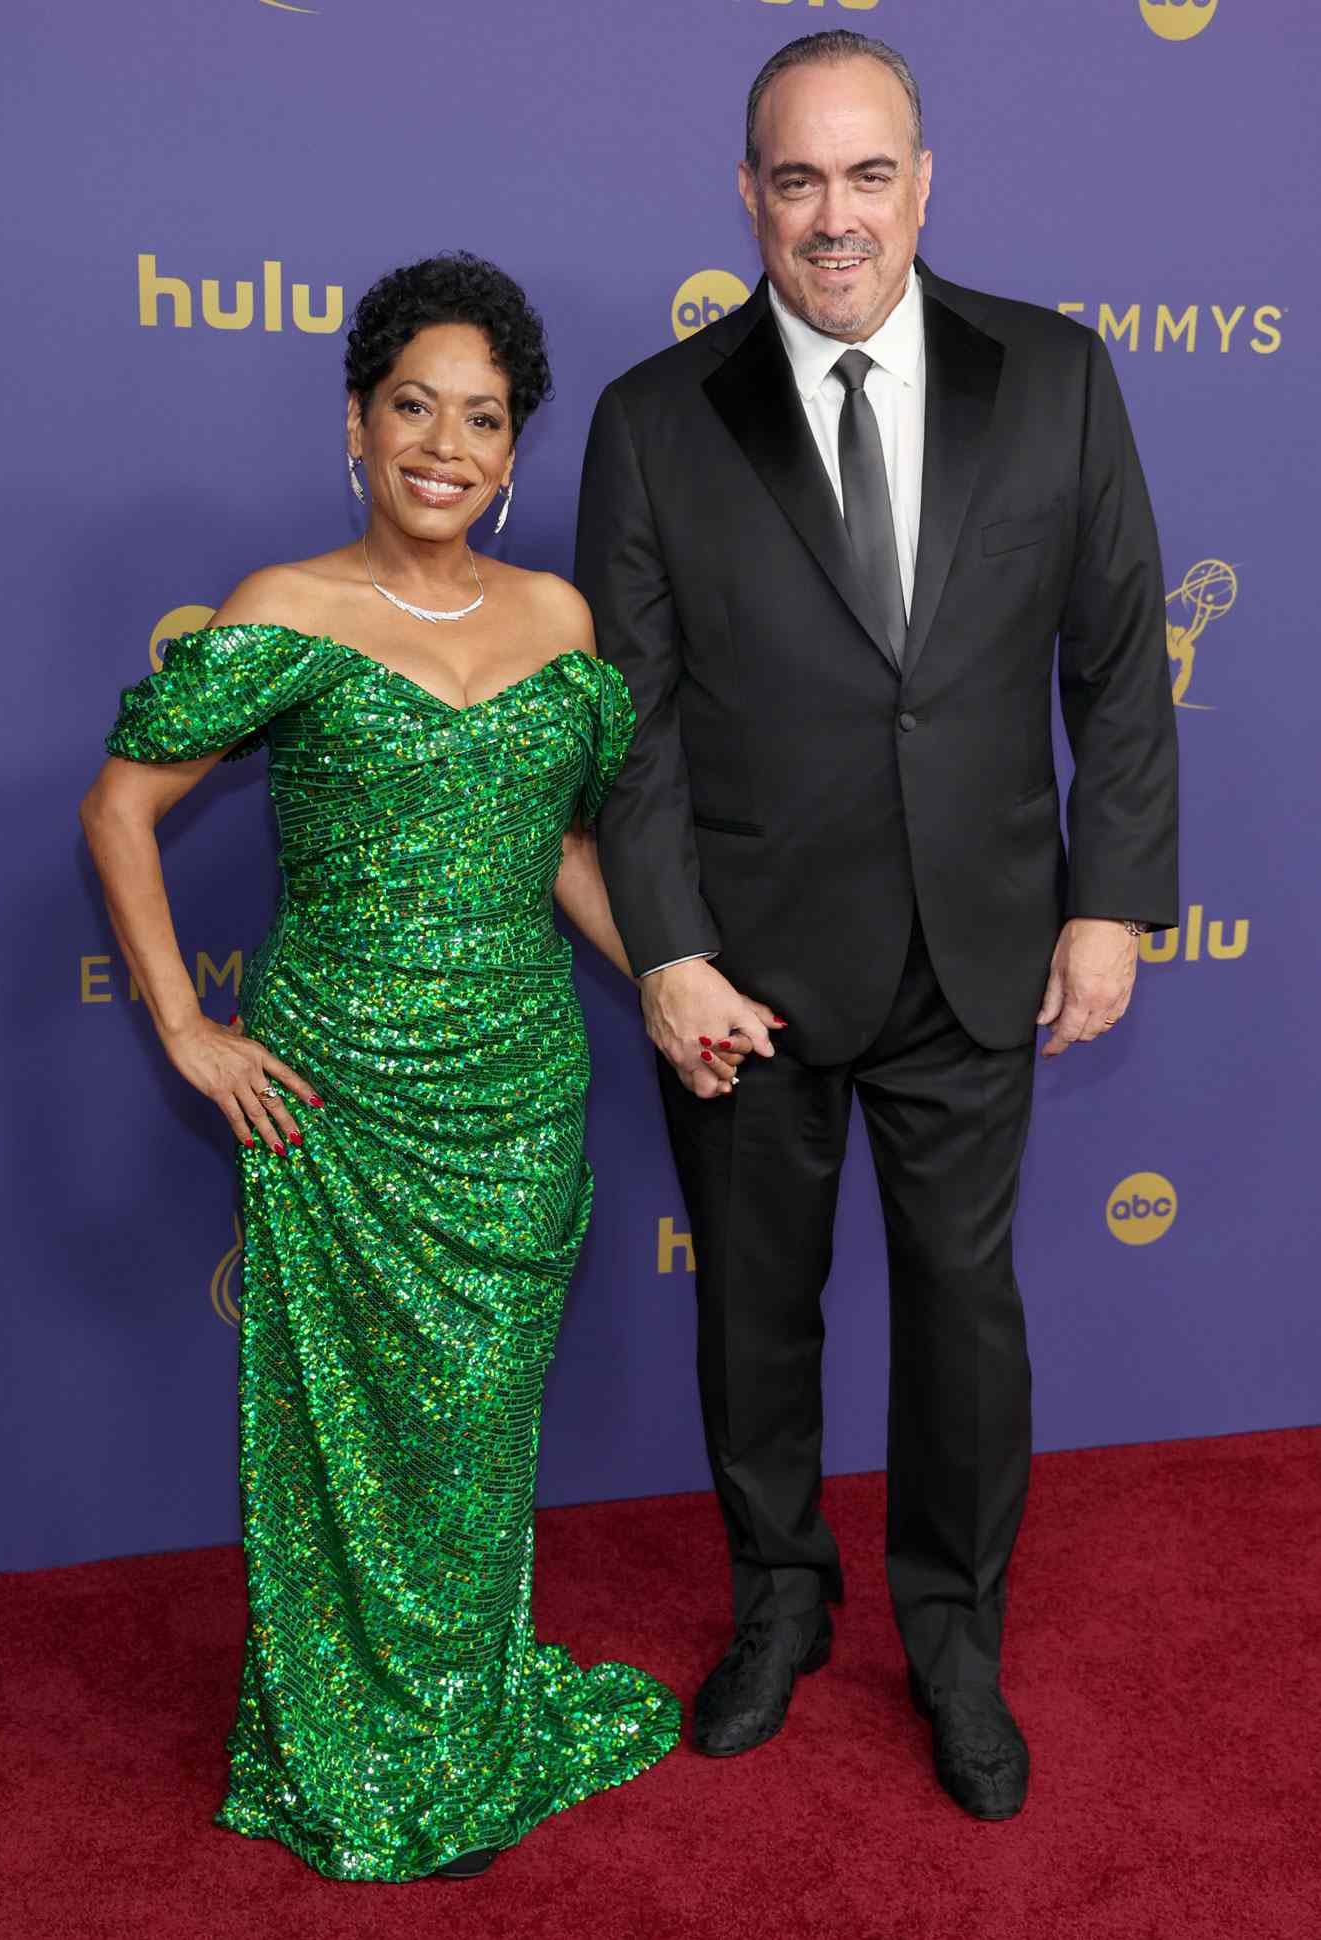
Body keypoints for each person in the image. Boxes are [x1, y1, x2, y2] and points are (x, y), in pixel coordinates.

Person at [575, 32, 1178, 1821]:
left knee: (961, 1321)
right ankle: (776, 1603)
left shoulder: (1055, 378)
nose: (830, 218)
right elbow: (631, 721)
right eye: (792, 179)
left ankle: (955, 1642)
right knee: (752, 1316)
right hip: (740, 973)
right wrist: (667, 949)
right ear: (745, 193)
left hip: (977, 944)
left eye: (863, 176)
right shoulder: (651, 416)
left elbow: (1121, 662)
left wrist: (1116, 902)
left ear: (922, 182)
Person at [80, 252, 680, 1881]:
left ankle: (464, 1720)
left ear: (511, 451)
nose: (444, 444)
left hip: (515, 1096)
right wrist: (187, 1029)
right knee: (345, 1436)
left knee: (476, 1432)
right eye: (413, 406)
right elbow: (119, 807)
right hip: (336, 1098)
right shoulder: (285, 608)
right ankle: (354, 1743)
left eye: (481, 420)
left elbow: (556, 848)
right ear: (356, 422)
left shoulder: (557, 619)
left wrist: (668, 984)